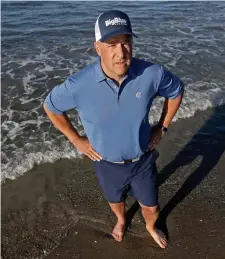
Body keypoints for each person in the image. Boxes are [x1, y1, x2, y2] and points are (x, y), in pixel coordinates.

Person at [43, 10, 184, 249]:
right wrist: (76, 139)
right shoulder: (79, 85)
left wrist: (162, 127)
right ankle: (121, 219)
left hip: (142, 159)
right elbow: (51, 106)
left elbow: (176, 91)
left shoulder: (152, 73)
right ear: (97, 47)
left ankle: (150, 226)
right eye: (111, 45)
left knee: (152, 207)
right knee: (115, 200)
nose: (121, 52)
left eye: (126, 42)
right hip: (105, 163)